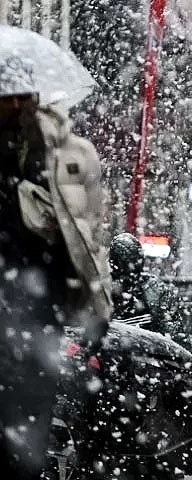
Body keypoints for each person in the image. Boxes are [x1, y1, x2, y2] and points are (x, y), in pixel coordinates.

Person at [0, 56, 110, 480]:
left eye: (20, 93)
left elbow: (90, 235)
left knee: (29, 439)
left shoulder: (69, 155)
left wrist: (96, 304)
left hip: (38, 313)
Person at [108, 232, 187, 345]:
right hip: (145, 353)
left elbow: (175, 335)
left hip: (141, 354)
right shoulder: (156, 290)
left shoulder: (155, 290)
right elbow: (175, 336)